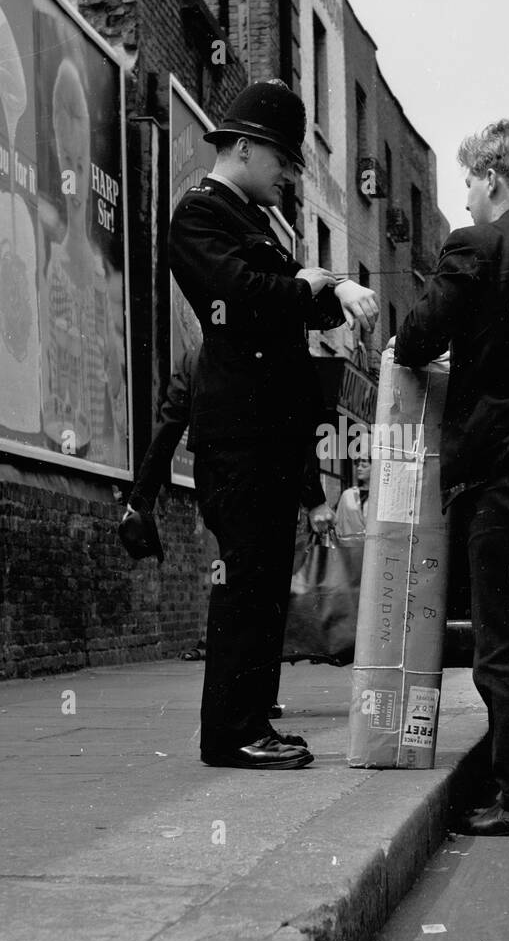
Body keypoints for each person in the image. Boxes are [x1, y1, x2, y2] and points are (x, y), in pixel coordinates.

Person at [169, 80, 378, 769]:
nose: (289, 175)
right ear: (248, 148)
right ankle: (231, 732)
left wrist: (334, 286)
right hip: (237, 439)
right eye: (283, 161)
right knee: (245, 587)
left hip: (267, 438)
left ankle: (252, 720)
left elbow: (299, 294)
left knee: (262, 593)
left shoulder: (248, 222)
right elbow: (244, 295)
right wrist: (316, 285)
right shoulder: (200, 216)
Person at [394, 115, 509, 835]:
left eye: (471, 180)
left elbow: (417, 338)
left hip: (497, 472)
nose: (467, 194)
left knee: (503, 636)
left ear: (494, 180)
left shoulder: (473, 247)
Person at [125, 342, 316, 745]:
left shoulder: (197, 356)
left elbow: (168, 424)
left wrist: (141, 496)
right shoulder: (250, 351)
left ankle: (254, 718)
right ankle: (245, 720)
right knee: (257, 595)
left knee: (248, 592)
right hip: (257, 480)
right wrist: (312, 498)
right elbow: (297, 424)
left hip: (218, 484)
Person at [333, 458, 371, 538]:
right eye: (358, 465)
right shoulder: (347, 495)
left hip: (374, 547)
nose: (359, 468)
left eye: (364, 466)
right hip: (349, 546)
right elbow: (338, 524)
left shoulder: (381, 497)